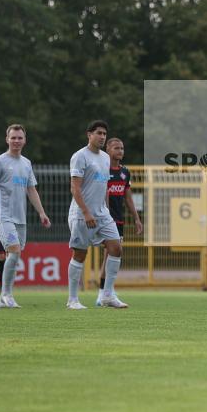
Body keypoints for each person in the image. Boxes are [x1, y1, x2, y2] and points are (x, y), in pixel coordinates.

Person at [0, 124, 51, 308]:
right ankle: (6, 295)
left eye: (20, 138)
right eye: (13, 138)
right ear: (7, 139)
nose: (16, 141)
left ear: (24, 140)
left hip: (20, 218)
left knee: (14, 255)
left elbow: (31, 190)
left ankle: (2, 299)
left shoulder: (26, 163)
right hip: (2, 216)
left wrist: (41, 212)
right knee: (14, 251)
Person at [67, 120, 126, 309]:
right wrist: (86, 212)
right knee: (80, 254)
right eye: (98, 133)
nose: (102, 137)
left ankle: (107, 295)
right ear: (89, 135)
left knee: (116, 248)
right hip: (81, 214)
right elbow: (75, 188)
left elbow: (104, 187)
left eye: (104, 134)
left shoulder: (105, 158)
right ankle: (72, 299)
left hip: (103, 214)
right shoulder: (80, 156)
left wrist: (106, 211)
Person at [95, 137, 143, 307]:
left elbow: (128, 197)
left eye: (122, 148)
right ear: (107, 150)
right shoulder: (102, 169)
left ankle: (105, 292)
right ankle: (104, 292)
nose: (120, 151)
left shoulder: (125, 172)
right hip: (103, 218)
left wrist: (136, 218)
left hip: (118, 220)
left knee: (110, 255)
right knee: (109, 254)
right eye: (116, 148)